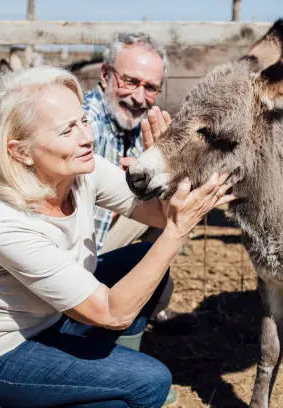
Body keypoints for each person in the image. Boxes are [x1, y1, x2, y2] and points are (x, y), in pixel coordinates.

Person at [0, 66, 235, 408]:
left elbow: (160, 214)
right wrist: (179, 229)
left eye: (83, 121)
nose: (86, 137)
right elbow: (111, 312)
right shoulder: (6, 224)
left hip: (47, 318)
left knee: (137, 263)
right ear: (21, 152)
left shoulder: (80, 173)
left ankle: (101, 377)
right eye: (67, 130)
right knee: (149, 383)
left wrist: (166, 167)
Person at [83, 33, 194, 332]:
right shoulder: (86, 124)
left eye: (150, 87)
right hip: (74, 254)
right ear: (105, 75)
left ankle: (145, 301)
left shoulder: (134, 123)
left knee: (175, 197)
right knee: (175, 204)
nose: (139, 96)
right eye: (130, 81)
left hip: (103, 238)